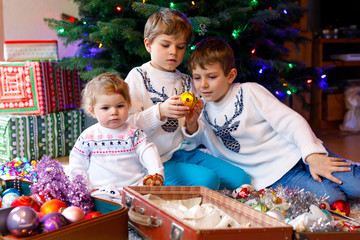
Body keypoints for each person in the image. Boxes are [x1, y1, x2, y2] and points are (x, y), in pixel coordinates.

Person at [185, 36, 360, 204]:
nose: (203, 85)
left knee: (355, 185)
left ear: (230, 76)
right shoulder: (198, 109)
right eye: (197, 77)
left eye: (211, 77)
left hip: (298, 153)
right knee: (333, 198)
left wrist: (312, 155)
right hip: (274, 176)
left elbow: (290, 121)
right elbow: (192, 143)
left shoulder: (249, 92)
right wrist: (191, 123)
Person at [125, 8, 250, 190]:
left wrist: (192, 124)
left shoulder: (187, 81)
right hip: (156, 161)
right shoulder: (138, 76)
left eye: (180, 46)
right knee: (208, 181)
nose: (173, 52)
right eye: (165, 45)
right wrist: (160, 111)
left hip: (186, 153)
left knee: (240, 178)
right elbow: (127, 126)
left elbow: (193, 136)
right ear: (148, 45)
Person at [68, 73, 165, 197]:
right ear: (93, 111)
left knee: (143, 206)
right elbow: (77, 164)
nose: (114, 112)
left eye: (120, 106)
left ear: (127, 106)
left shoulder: (134, 133)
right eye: (105, 108)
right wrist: (79, 187)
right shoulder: (88, 137)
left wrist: (155, 172)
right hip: (99, 192)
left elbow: (148, 151)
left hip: (133, 189)